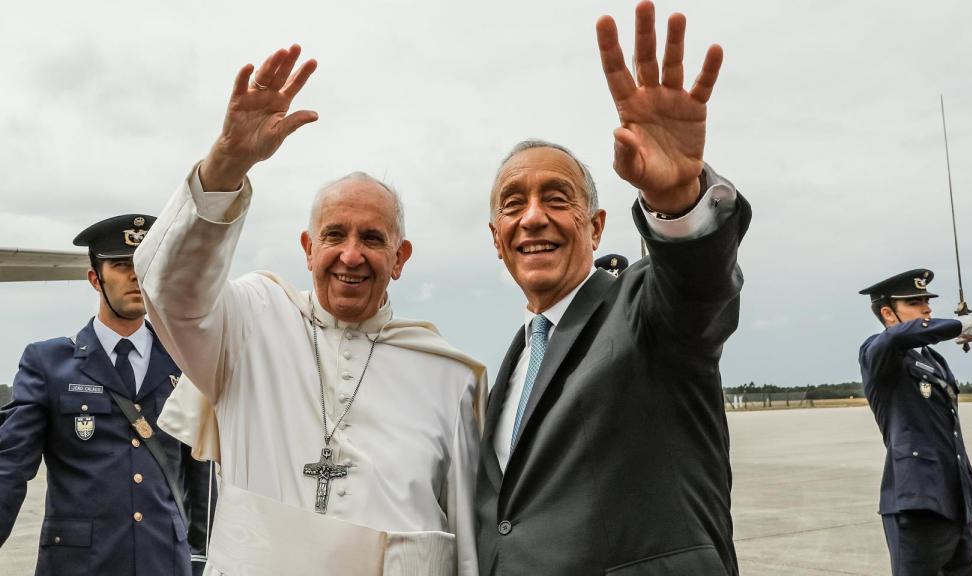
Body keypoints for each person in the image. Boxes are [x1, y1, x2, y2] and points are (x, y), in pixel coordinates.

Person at [134, 44, 485, 576]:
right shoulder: (249, 325)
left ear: (401, 257)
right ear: (307, 248)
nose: (351, 254)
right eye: (334, 235)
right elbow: (166, 286)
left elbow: (468, 545)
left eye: (372, 238)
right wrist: (228, 161)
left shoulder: (449, 376)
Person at [474, 2, 751, 574]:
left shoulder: (643, 311)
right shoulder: (516, 359)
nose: (532, 218)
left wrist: (677, 200)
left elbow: (698, 289)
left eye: (557, 198)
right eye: (513, 205)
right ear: (497, 239)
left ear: (597, 227)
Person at [0, 214, 213, 576]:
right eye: (121, 265)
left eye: (146, 264)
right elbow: (9, 469)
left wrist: (202, 557)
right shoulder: (49, 364)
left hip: (165, 563)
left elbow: (201, 477)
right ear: (94, 279)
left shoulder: (185, 361)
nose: (136, 275)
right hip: (80, 566)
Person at [858, 268, 972, 575]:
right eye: (914, 302)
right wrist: (956, 326)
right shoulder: (879, 351)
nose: (927, 307)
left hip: (954, 503)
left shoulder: (933, 359)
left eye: (926, 300)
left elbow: (951, 435)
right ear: (888, 313)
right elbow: (895, 338)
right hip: (916, 503)